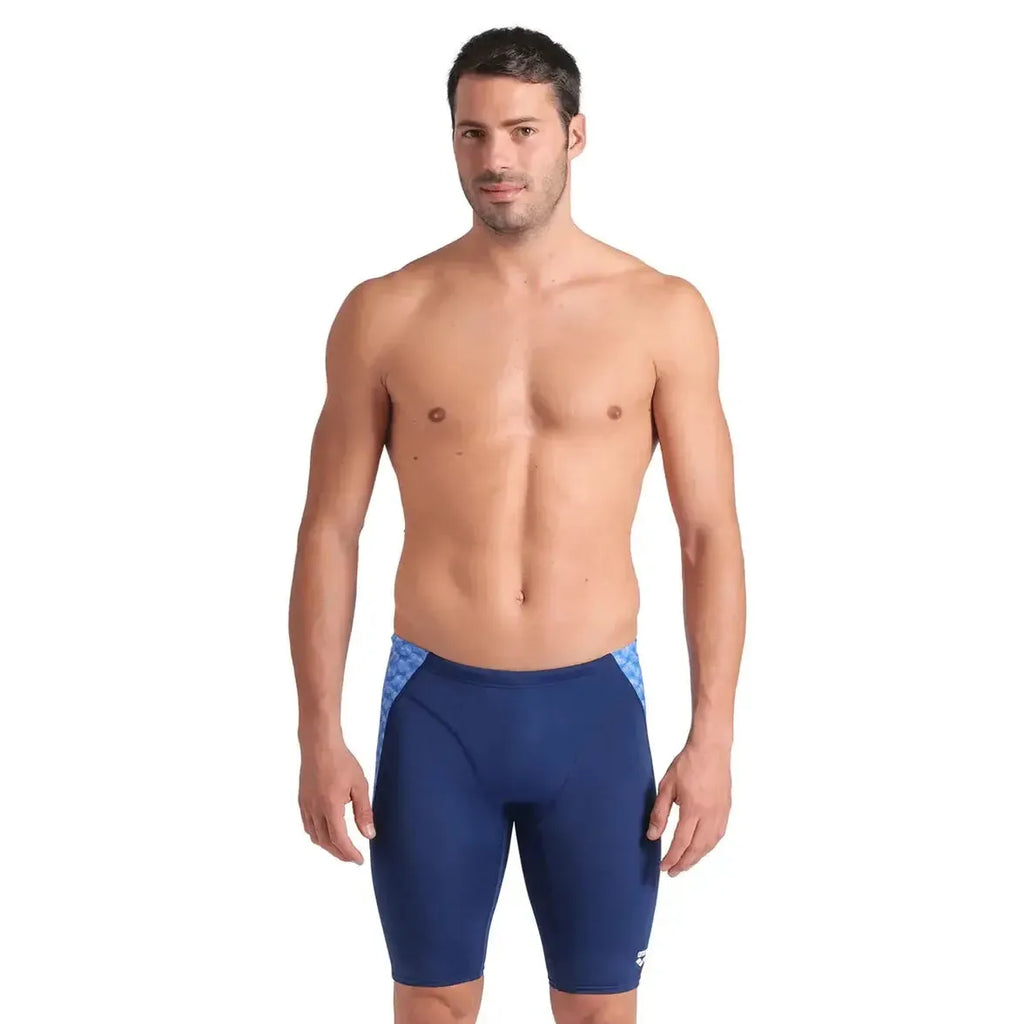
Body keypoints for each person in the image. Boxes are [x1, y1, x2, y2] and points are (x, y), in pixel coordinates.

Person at [288, 24, 746, 1024]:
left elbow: (707, 534)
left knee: (598, 1011)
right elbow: (329, 530)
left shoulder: (661, 311)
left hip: (595, 711)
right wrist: (318, 731)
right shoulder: (386, 311)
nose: (495, 158)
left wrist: (711, 737)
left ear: (575, 135)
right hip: (436, 709)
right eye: (473, 133)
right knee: (434, 1005)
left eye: (523, 131)